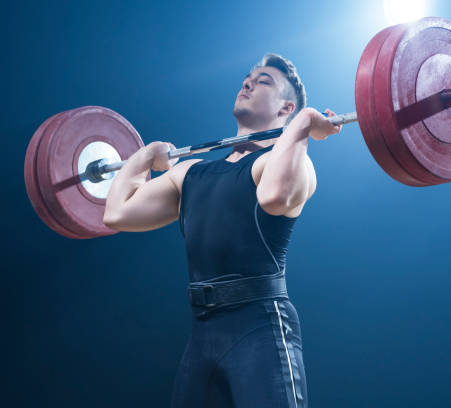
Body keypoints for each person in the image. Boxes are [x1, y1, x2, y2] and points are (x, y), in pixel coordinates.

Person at [102, 53, 341, 407]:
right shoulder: (190, 174)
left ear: (285, 108)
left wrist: (304, 124)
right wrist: (145, 155)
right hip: (202, 332)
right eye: (248, 77)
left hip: (260, 326)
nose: (248, 83)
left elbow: (275, 196)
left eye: (264, 81)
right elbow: (117, 213)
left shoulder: (288, 164)